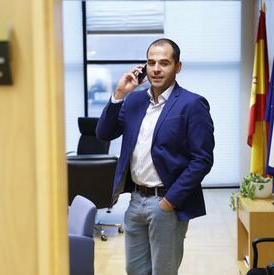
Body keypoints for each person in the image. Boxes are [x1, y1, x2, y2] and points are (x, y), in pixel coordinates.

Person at [96, 38, 215, 275]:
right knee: (135, 271)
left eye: (164, 63)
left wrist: (170, 201)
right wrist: (119, 93)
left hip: (166, 203)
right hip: (136, 200)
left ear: (177, 67)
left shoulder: (192, 104)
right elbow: (103, 133)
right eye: (151, 63)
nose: (156, 69)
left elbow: (202, 159)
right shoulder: (135, 101)